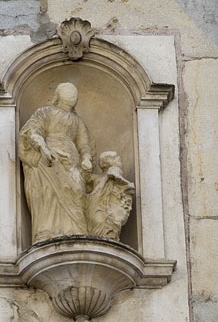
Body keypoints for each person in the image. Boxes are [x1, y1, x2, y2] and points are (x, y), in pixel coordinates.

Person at [19, 82, 96, 243]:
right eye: (68, 94)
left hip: (71, 162)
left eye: (73, 96)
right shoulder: (45, 112)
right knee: (48, 193)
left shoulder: (78, 122)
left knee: (76, 192)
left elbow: (84, 145)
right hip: (49, 160)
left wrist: (87, 159)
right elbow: (33, 131)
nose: (72, 98)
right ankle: (47, 231)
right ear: (58, 96)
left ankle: (73, 231)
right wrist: (43, 149)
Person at [85, 151, 135, 240]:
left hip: (105, 207)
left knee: (105, 223)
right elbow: (86, 179)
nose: (119, 160)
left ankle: (103, 239)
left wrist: (127, 185)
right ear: (106, 162)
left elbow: (118, 179)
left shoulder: (113, 171)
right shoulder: (104, 174)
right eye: (115, 158)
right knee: (98, 222)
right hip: (96, 204)